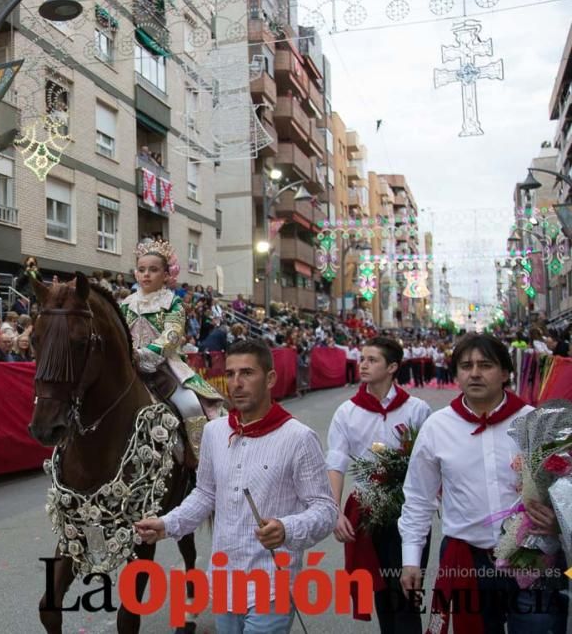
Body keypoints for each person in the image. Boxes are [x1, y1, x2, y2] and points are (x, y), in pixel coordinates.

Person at [135, 340, 338, 632]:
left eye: (247, 373)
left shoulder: (298, 437)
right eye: (230, 374)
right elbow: (205, 494)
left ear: (270, 379)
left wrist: (287, 528)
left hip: (272, 585)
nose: (236, 383)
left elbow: (325, 510)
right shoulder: (215, 432)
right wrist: (167, 524)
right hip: (225, 582)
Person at [400, 333, 568, 633]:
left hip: (532, 555)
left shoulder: (535, 422)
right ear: (456, 374)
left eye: (485, 365)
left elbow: (565, 487)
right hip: (468, 562)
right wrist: (411, 559)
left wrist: (560, 522)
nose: (474, 373)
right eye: (466, 366)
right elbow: (418, 498)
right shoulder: (437, 428)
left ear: (505, 373)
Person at [326, 337, 432, 632]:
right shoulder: (347, 412)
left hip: (408, 513)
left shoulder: (417, 409)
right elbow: (336, 463)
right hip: (367, 513)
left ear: (393, 367)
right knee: (382, 592)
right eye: (362, 359)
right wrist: (335, 511)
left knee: (407, 595)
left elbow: (431, 465)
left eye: (372, 360)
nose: (363, 365)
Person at [121, 239, 225, 456]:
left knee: (190, 405)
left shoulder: (173, 304)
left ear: (166, 275)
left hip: (165, 367)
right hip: (126, 366)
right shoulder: (125, 304)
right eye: (141, 270)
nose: (146, 274)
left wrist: (142, 355)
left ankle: (199, 461)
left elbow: (172, 335)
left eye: (153, 270)